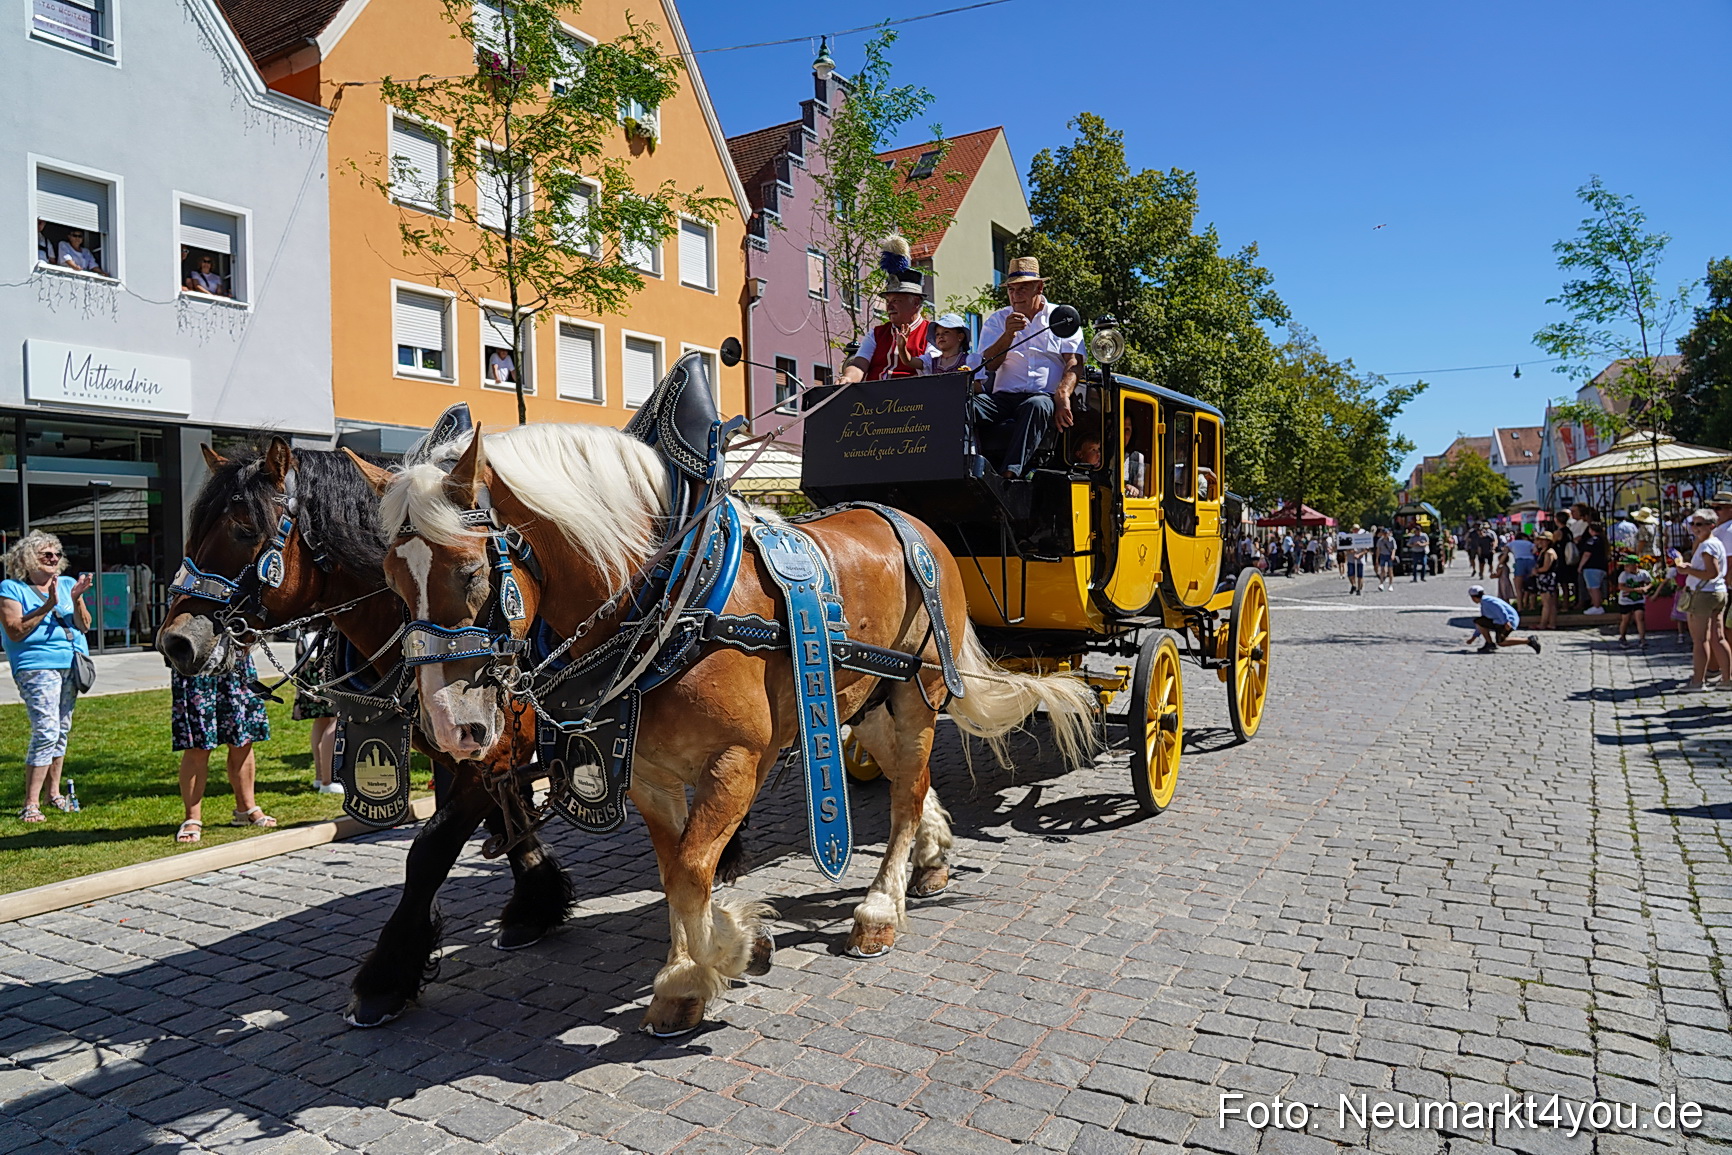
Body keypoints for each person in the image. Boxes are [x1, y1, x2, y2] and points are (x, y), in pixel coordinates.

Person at [0, 534, 92, 823]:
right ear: (28, 559)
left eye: (56, 553)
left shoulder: (67, 585)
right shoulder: (12, 588)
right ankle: (30, 804)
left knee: (61, 730)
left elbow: (85, 625)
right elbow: (14, 630)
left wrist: (75, 600)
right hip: (36, 666)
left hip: (70, 664)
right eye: (45, 554)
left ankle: (54, 794)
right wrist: (47, 605)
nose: (53, 558)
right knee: (46, 730)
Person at [969, 257, 1083, 480]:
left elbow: (1075, 361)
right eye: (1011, 289)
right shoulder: (997, 320)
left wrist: (1062, 394)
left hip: (1041, 397)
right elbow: (989, 365)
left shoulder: (1062, 317)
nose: (1015, 294)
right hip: (1002, 398)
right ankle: (966, 464)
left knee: (1037, 405)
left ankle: (1010, 473)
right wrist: (1008, 335)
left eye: (1023, 288)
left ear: (1039, 288)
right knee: (961, 405)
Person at [172, 650, 276, 843]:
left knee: (243, 739)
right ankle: (192, 818)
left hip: (236, 661)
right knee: (198, 744)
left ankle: (246, 809)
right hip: (197, 662)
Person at [840, 236, 934, 384]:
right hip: (875, 402)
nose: (889, 307)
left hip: (914, 401)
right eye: (887, 301)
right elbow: (859, 364)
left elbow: (933, 369)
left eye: (896, 301)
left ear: (915, 302)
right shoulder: (876, 334)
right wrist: (848, 378)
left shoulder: (932, 332)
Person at [1671, 509, 1732, 692]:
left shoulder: (1707, 546)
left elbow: (1711, 573)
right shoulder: (1714, 542)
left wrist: (1687, 570)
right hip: (1716, 592)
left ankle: (1698, 681)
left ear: (1711, 525)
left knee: (1700, 640)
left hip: (1703, 594)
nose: (1694, 528)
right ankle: (1727, 679)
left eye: (1699, 524)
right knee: (1718, 637)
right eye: (1693, 524)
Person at [293, 626, 342, 796]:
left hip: (311, 649)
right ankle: (329, 780)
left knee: (322, 719)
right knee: (338, 717)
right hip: (328, 653)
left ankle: (321, 777)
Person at [1466, 586, 1542, 654]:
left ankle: (1529, 640)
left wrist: (1506, 621)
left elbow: (1500, 610)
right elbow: (1482, 623)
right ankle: (1489, 644)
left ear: (1473, 598)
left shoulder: (1487, 602)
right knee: (1480, 621)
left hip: (1508, 621)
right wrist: (1473, 638)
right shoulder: (1485, 601)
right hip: (1501, 621)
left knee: (1501, 642)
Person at [1615, 555, 1651, 648]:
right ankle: (1622, 637)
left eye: (1628, 565)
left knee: (1640, 617)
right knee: (1626, 619)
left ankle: (1642, 639)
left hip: (1639, 600)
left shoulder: (1643, 573)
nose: (1625, 567)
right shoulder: (1624, 575)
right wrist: (1635, 590)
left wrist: (1645, 588)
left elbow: (1649, 583)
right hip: (1626, 600)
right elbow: (1621, 587)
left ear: (1635, 565)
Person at [1577, 518, 1610, 614]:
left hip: (1592, 567)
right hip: (1601, 567)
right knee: (1596, 587)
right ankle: (1597, 604)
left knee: (1593, 588)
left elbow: (1587, 554)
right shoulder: (1603, 540)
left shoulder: (1592, 540)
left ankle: (1596, 606)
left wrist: (1580, 566)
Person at [1532, 532, 1560, 630]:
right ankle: (1551, 623)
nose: (1540, 542)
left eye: (1543, 540)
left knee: (1546, 602)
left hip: (1546, 578)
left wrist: (1536, 571)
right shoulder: (1543, 551)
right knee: (1550, 603)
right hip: (1544, 578)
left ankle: (1543, 623)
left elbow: (1546, 567)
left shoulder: (1549, 552)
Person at [1508, 531, 1536, 608]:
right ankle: (1532, 606)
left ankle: (1520, 607)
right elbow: (1535, 550)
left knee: (1518, 587)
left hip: (1519, 561)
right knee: (1531, 584)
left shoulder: (1512, 543)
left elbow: (1506, 550)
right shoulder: (1529, 543)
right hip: (1531, 561)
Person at [1345, 525, 1368, 596]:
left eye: (1357, 529)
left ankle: (1359, 589)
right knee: (1350, 574)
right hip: (1351, 559)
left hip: (1360, 560)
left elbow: (1366, 550)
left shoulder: (1362, 538)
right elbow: (1345, 549)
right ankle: (1353, 585)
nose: (1355, 531)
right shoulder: (1348, 538)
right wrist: (1350, 551)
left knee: (1360, 576)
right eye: (1354, 529)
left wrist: (1359, 555)